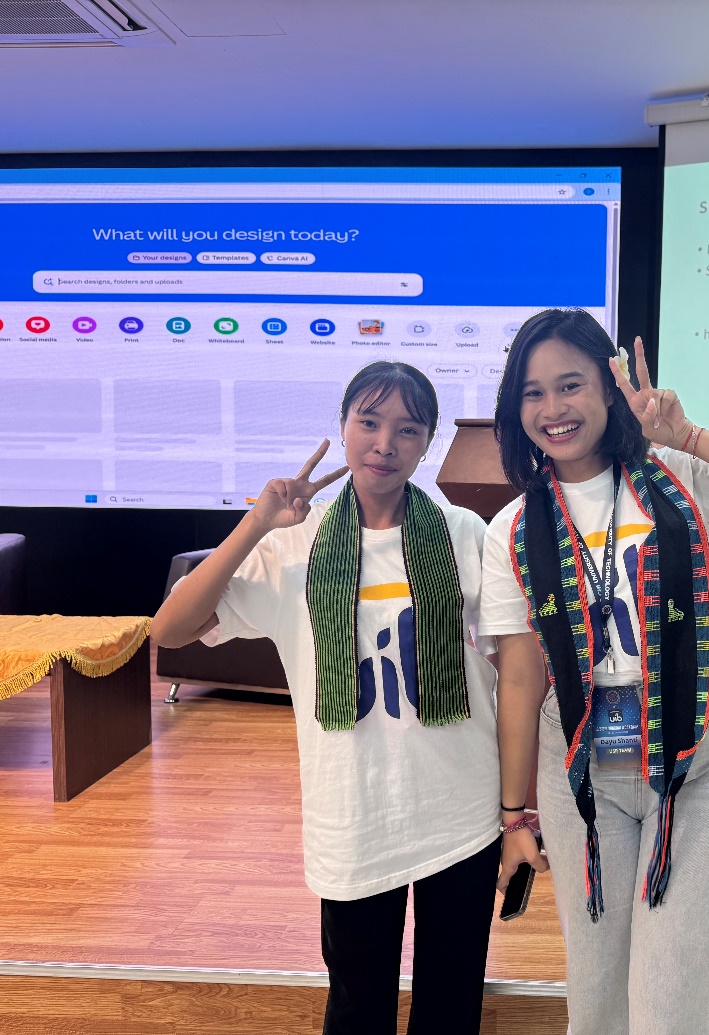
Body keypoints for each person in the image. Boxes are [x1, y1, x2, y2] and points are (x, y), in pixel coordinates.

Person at [480, 310, 709, 1035]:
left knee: (673, 1001)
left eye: (570, 384)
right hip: (578, 764)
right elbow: (519, 678)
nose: (553, 409)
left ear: (610, 389)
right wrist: (514, 817)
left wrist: (688, 435)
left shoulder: (679, 477)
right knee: (599, 1000)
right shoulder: (511, 526)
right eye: (533, 393)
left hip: (697, 753)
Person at [150, 361, 500, 1035]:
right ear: (341, 427)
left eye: (406, 428)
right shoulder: (292, 545)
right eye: (368, 422)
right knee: (356, 1007)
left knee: (450, 1008)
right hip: (355, 811)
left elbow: (509, 663)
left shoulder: (462, 534)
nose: (384, 442)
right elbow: (171, 629)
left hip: (459, 808)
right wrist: (255, 522)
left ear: (426, 442)